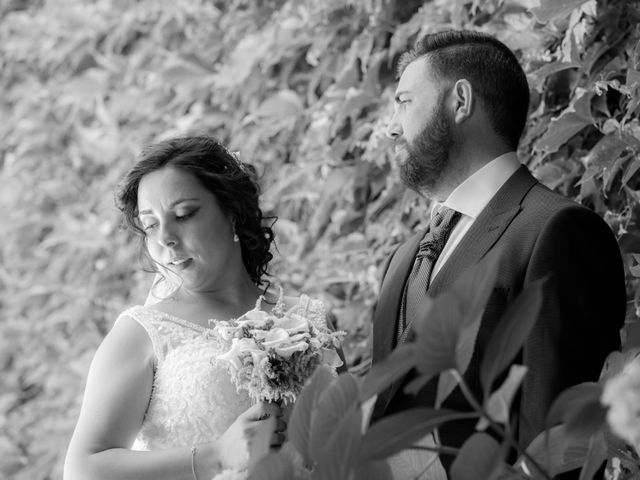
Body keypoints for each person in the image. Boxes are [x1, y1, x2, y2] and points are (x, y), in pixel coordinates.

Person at [370, 30, 626, 476]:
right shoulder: (402, 259)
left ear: (461, 101)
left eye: (405, 101)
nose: (391, 125)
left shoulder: (556, 232)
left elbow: (555, 448)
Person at [64, 136, 337, 480]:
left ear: (233, 213)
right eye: (151, 224)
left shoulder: (308, 320)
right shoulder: (141, 332)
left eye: (184, 214)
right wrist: (216, 456)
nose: (165, 237)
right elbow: (83, 469)